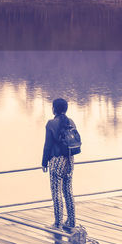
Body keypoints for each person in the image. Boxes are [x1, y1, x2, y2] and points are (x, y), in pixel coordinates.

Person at [41, 97, 77, 231]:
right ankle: (71, 222)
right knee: (68, 191)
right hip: (70, 159)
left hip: (56, 161)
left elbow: (48, 145)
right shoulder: (71, 121)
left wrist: (44, 162)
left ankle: (58, 224)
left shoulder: (51, 123)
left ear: (54, 109)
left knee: (56, 192)